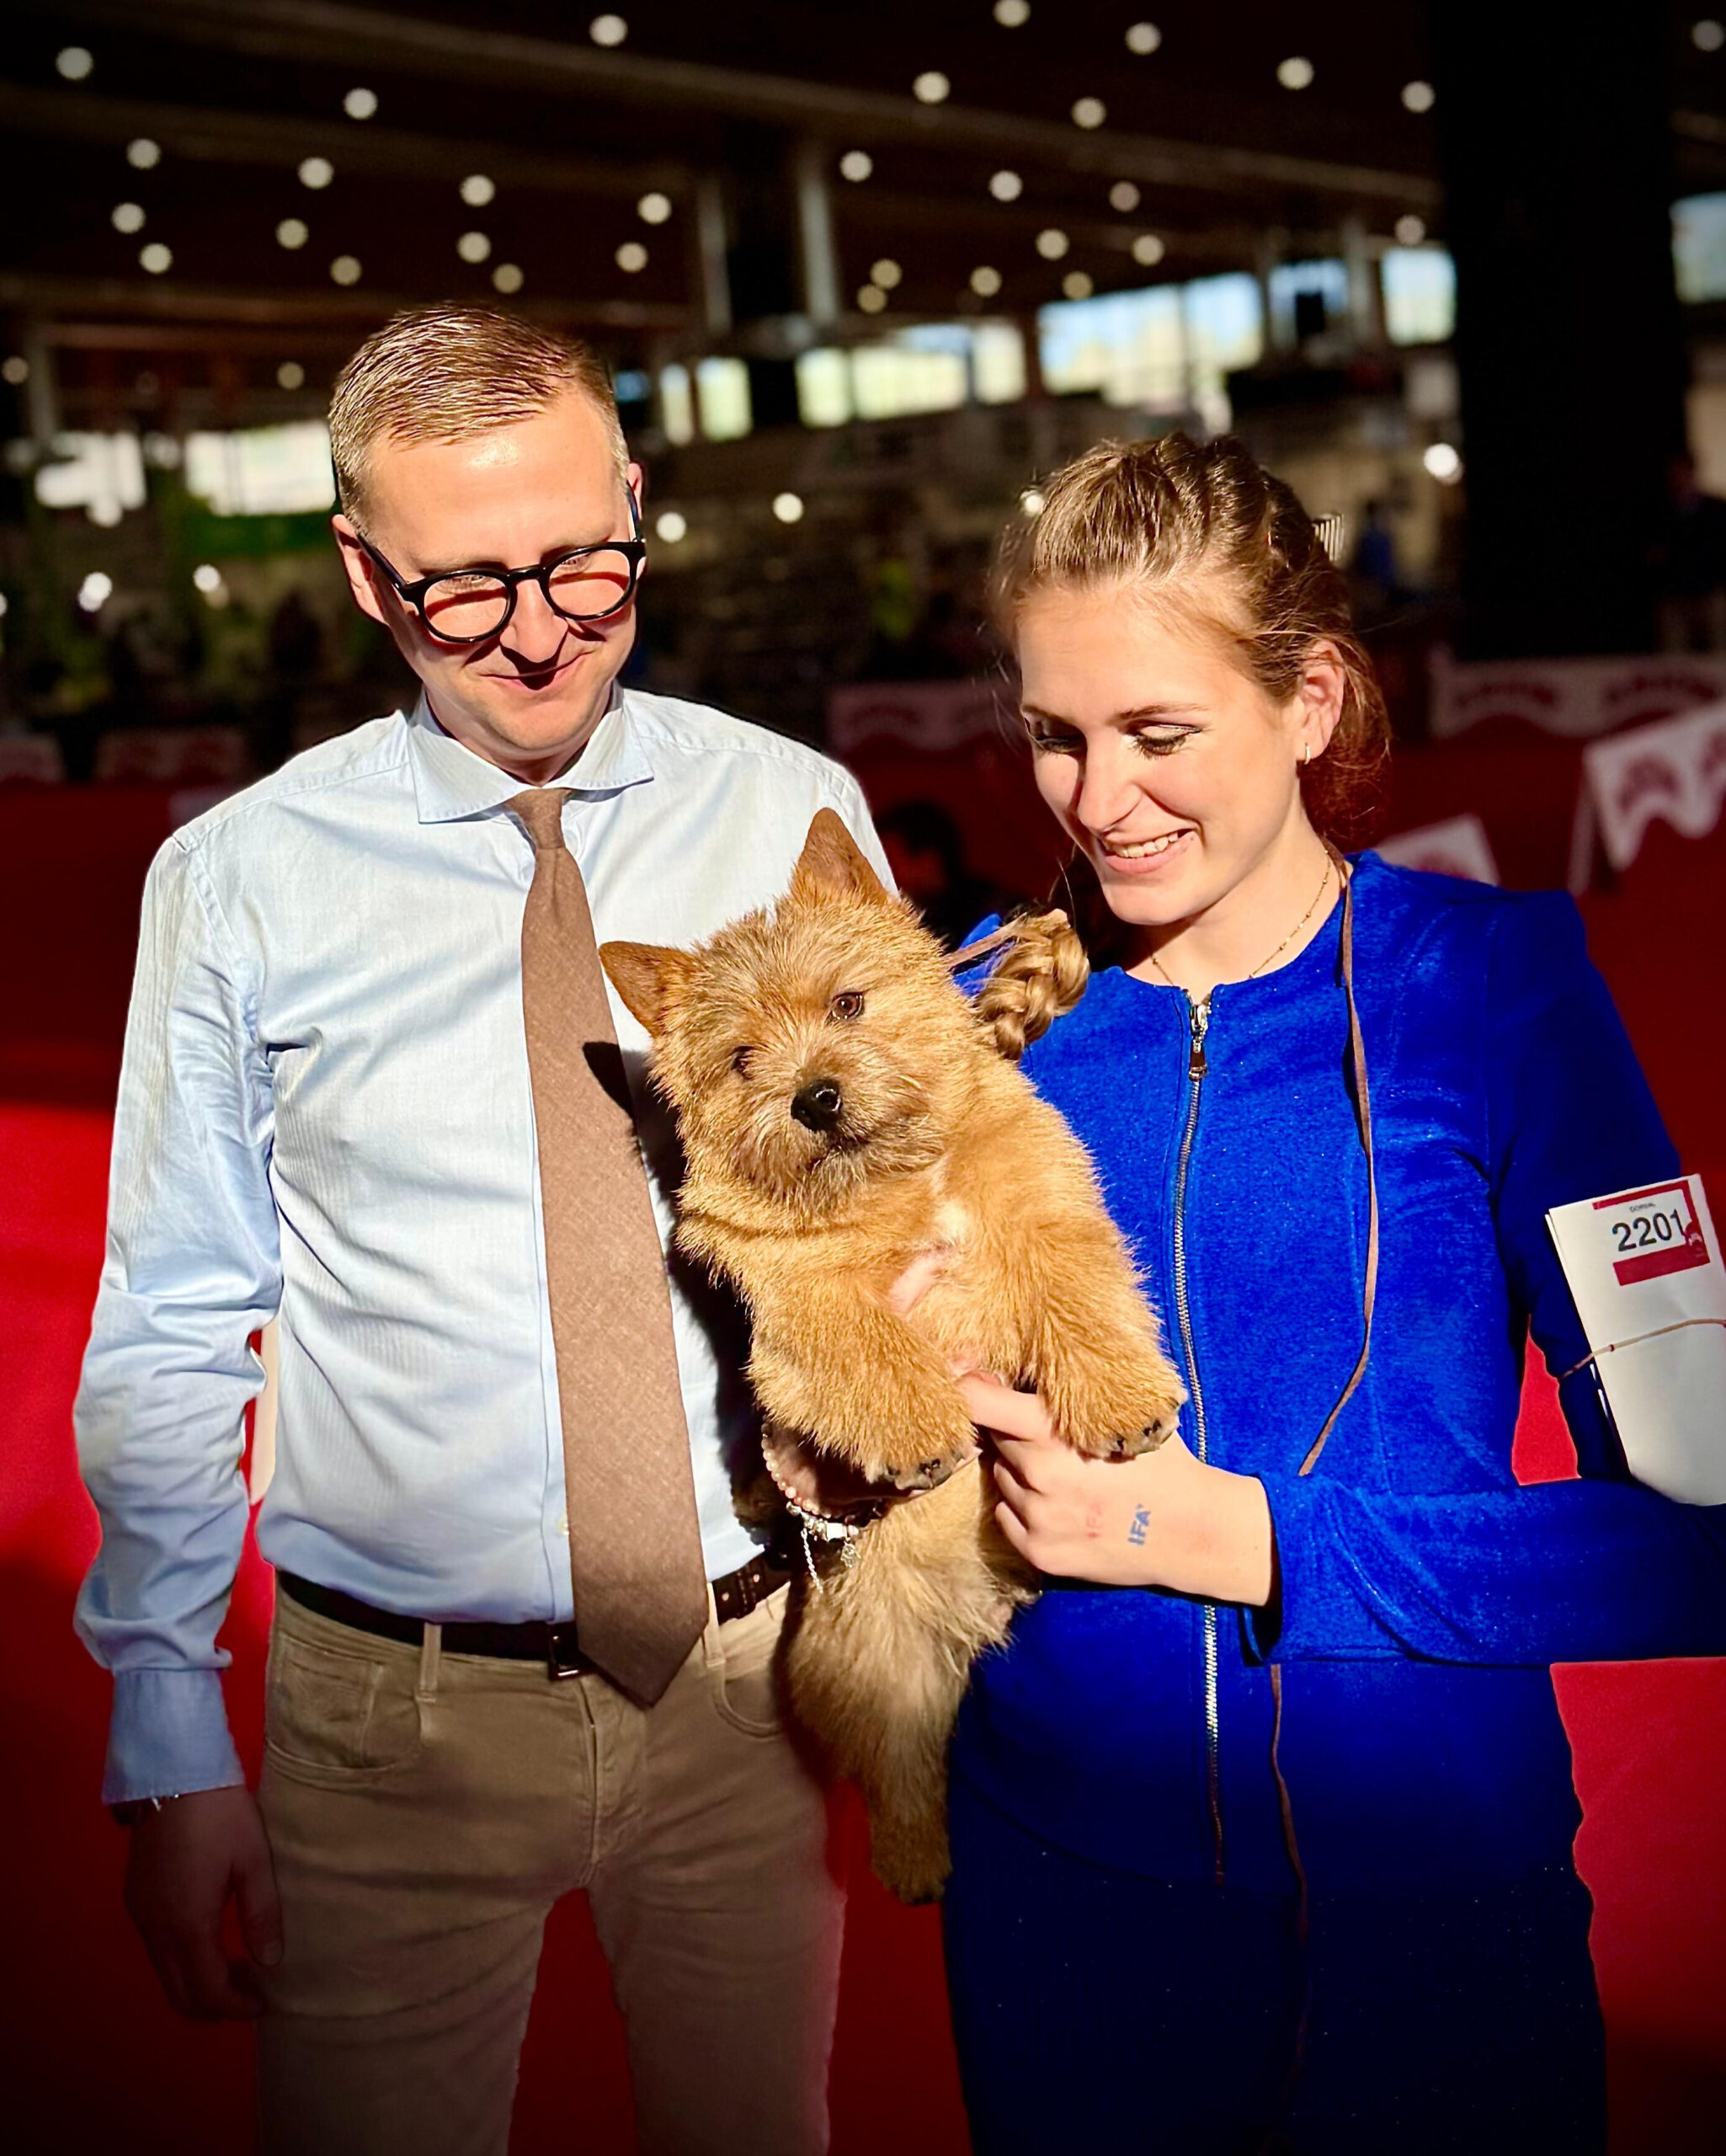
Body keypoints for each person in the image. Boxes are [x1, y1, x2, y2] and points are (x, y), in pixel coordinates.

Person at [73, 306, 891, 2156]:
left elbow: (893, 1207)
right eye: (463, 588)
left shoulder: (795, 811)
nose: (536, 628)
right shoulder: (240, 881)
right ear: (364, 573)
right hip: (391, 1725)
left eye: (586, 562)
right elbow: (180, 1315)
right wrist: (168, 1731)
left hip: (750, 1677)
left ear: (633, 499)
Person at [930, 435, 1726, 2153]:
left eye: (1156, 733)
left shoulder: (1496, 984)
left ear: (1308, 698)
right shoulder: (962, 1010)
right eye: (1054, 735)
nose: (1093, 798)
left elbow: (1700, 1527)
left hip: (1441, 1923)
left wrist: (1229, 1536)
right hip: (1059, 1912)